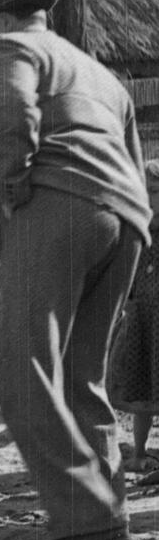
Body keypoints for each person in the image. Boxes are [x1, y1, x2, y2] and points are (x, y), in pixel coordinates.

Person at [0, 0, 151, 540]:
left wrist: (11, 188)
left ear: (4, 21)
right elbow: (135, 160)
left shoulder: (13, 47)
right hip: (126, 222)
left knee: (18, 370)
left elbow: (9, 113)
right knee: (79, 377)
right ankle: (106, 519)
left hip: (59, 207)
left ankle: (83, 521)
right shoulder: (103, 75)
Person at [111, 160, 159, 482]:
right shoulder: (134, 232)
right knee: (143, 389)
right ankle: (140, 453)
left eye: (154, 191)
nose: (147, 199)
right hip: (143, 320)